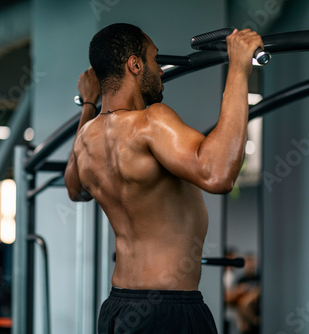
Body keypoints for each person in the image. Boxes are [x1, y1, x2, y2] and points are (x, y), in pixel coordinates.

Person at [64, 23, 263, 334]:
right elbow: (218, 174)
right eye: (155, 60)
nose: (160, 71)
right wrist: (238, 68)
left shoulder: (85, 138)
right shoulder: (151, 121)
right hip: (167, 312)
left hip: (117, 309)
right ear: (134, 64)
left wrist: (90, 103)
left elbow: (75, 190)